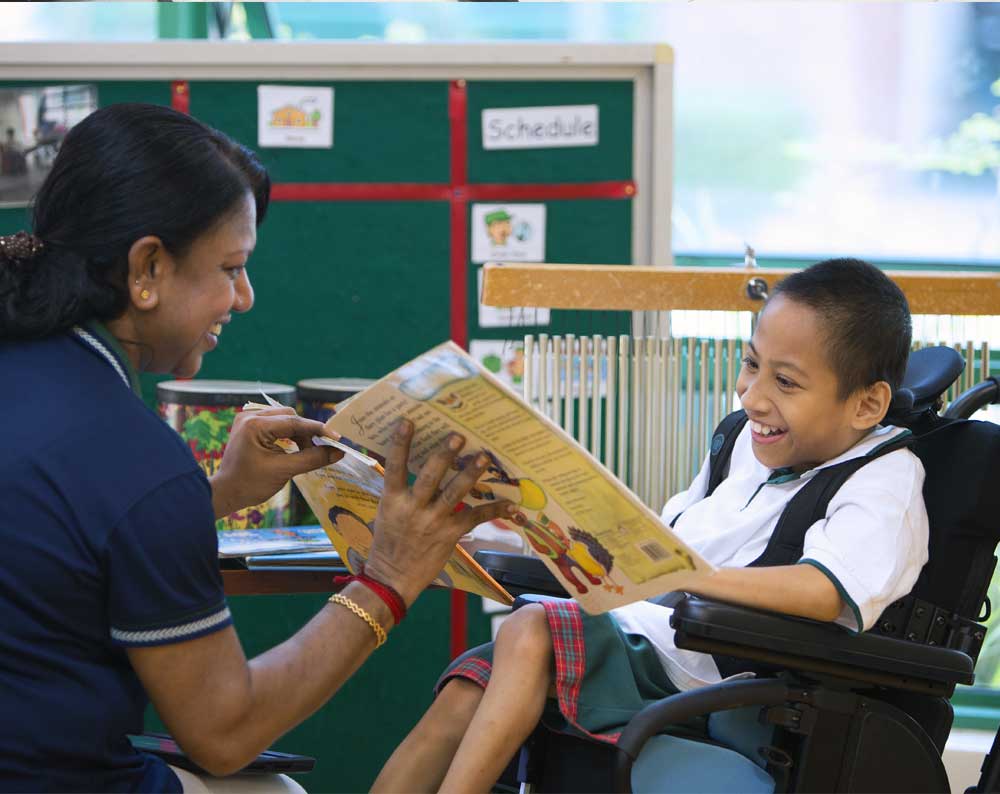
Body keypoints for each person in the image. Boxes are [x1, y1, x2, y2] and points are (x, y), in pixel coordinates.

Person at [0, 103, 516, 793]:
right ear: (146, 268)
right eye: (231, 267)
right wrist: (389, 578)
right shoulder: (133, 460)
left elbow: (63, 534)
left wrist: (215, 496)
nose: (243, 298)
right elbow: (224, 733)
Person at [373, 258, 930, 794]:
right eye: (751, 363)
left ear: (866, 406)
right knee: (464, 692)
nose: (752, 395)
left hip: (711, 670)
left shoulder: (885, 477)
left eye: (785, 382)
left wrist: (692, 576)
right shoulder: (741, 440)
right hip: (647, 631)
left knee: (530, 628)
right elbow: (667, 538)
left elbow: (827, 591)